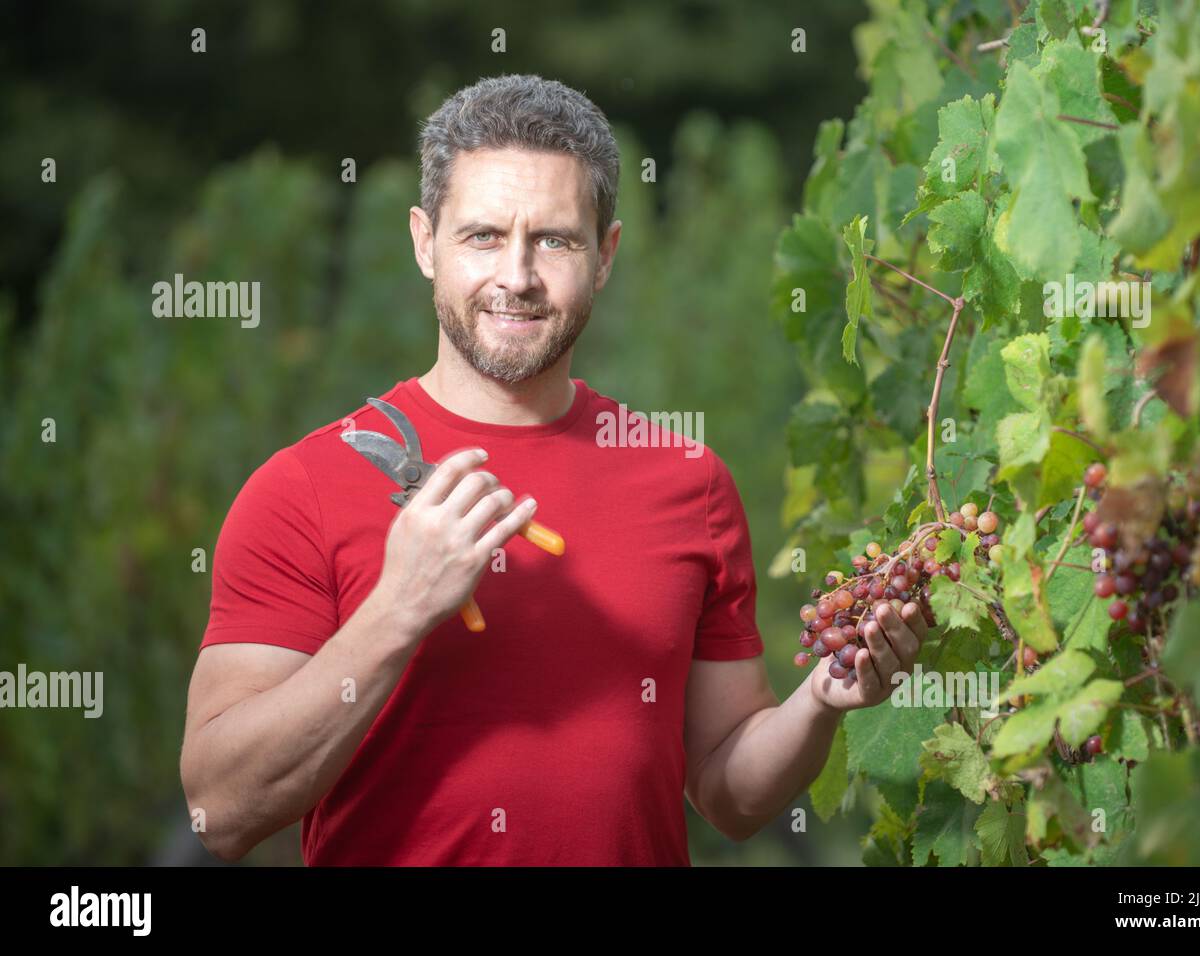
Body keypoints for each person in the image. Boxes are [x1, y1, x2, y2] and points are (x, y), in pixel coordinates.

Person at [179, 73, 929, 866]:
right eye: (482, 236)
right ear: (423, 242)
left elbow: (727, 793)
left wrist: (820, 701)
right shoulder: (302, 490)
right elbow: (219, 813)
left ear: (604, 255)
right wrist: (395, 611)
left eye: (555, 240)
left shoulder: (687, 481)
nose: (517, 276)